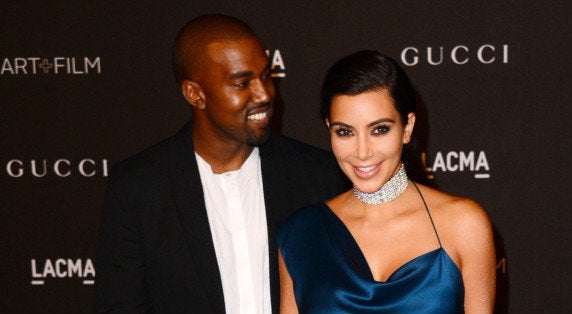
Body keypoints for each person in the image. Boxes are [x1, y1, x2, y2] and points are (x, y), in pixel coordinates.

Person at [94, 14, 343, 313]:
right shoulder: (138, 188)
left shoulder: (316, 174)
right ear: (194, 94)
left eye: (265, 75)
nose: (264, 94)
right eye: (241, 83)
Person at [277, 50, 496, 313]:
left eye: (379, 129)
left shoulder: (463, 224)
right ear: (329, 129)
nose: (362, 151)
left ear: (407, 128)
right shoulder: (301, 234)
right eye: (345, 132)